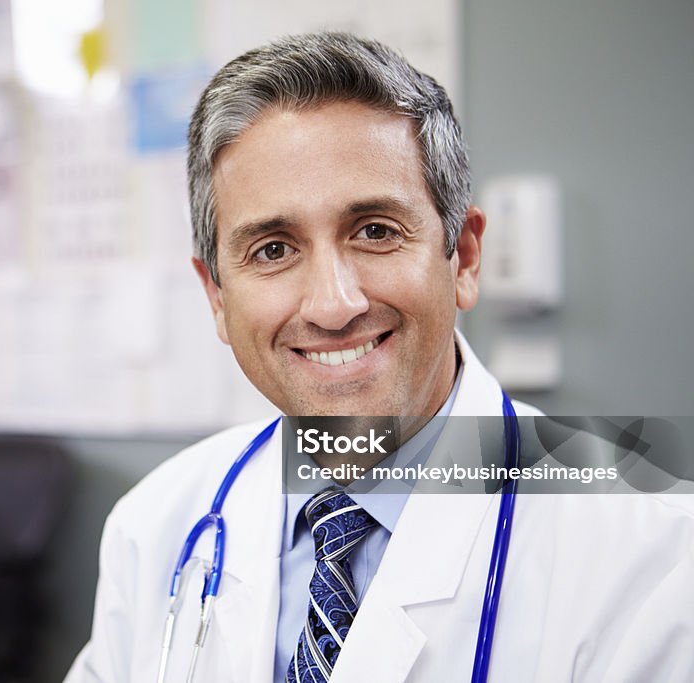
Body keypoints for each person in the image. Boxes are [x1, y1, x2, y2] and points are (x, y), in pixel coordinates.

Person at [65, 32, 694, 682]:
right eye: (273, 249)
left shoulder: (658, 549)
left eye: (374, 232)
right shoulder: (156, 525)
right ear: (217, 297)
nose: (333, 305)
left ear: (466, 259)